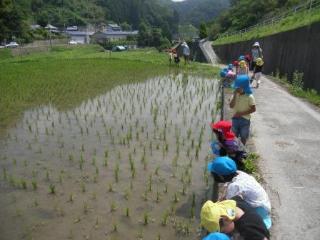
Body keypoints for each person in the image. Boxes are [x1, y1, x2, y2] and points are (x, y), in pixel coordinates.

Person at [207, 156, 272, 229]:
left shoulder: (234, 186)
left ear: (221, 177)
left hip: (259, 211)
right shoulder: (240, 173)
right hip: (264, 204)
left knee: (229, 212)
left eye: (213, 174)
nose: (212, 176)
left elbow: (229, 206)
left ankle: (253, 223)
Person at [201, 197, 270, 240]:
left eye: (223, 232)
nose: (224, 233)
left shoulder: (247, 229)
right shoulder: (235, 202)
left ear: (226, 219)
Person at [229, 75, 256, 145]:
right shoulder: (235, 94)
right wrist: (235, 95)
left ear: (244, 87)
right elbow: (231, 106)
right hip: (235, 119)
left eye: (239, 87)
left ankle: (242, 149)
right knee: (233, 136)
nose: (237, 89)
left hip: (245, 120)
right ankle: (234, 150)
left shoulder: (250, 97)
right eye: (236, 87)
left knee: (244, 136)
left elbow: (253, 109)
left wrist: (240, 114)